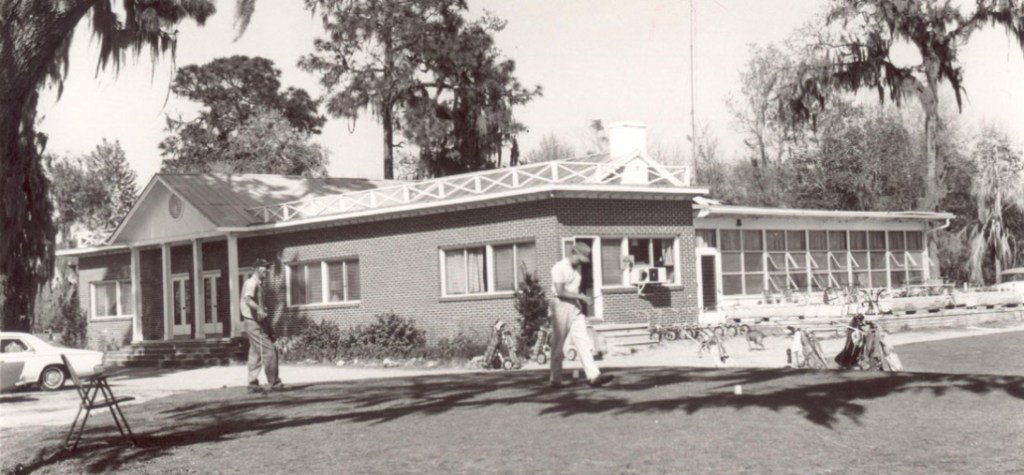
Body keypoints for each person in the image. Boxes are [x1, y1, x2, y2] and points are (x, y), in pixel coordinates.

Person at [548, 242, 613, 388]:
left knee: (583, 342)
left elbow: (574, 290)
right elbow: (560, 291)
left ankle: (594, 376)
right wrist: (581, 297)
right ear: (574, 252)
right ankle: (555, 380)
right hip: (560, 306)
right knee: (558, 344)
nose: (581, 262)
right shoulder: (559, 267)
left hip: (575, 308)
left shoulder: (578, 269)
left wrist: (582, 298)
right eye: (581, 258)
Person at [241, 258, 283, 393]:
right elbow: (247, 299)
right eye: (266, 267)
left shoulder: (258, 284)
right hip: (253, 323)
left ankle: (252, 385)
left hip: (256, 322)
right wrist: (259, 309)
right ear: (258, 268)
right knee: (270, 351)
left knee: (255, 354)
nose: (268, 270)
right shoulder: (251, 282)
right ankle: (275, 383)